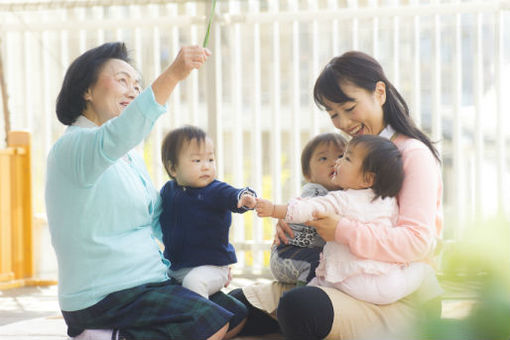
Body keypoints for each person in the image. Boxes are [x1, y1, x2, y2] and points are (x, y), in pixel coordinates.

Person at [230, 50, 444, 339]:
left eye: (349, 108)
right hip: (341, 278)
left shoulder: (412, 155)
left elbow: (418, 242)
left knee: (299, 308)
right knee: (229, 307)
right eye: (333, 114)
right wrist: (292, 218)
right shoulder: (354, 151)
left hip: (393, 294)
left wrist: (342, 230)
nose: (343, 122)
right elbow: (332, 204)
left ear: (379, 92)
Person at [46, 42, 247, 340]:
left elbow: (161, 219)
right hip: (104, 293)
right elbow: (121, 132)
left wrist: (205, 261)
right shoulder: (74, 146)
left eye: (137, 84)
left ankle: (114, 335)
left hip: (149, 283)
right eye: (122, 80)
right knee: (210, 322)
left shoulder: (128, 157)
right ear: (87, 91)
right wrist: (174, 74)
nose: (132, 90)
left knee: (235, 314)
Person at [257, 135, 432, 305]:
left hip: (345, 280)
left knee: (316, 284)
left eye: (345, 158)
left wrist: (273, 209)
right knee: (419, 272)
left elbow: (306, 208)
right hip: (379, 282)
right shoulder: (389, 201)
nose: (336, 162)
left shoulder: (342, 199)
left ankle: (299, 303)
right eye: (325, 158)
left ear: (367, 178)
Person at [159, 125, 257, 298]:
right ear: (173, 168)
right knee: (153, 281)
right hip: (176, 266)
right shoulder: (168, 191)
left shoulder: (215, 190)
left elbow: (233, 195)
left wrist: (244, 197)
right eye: (197, 161)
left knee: (194, 283)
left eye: (210, 160)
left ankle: (204, 322)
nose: (206, 167)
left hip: (212, 266)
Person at [269, 132, 346, 286]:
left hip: (306, 253)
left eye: (341, 157)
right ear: (308, 174)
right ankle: (299, 303)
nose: (334, 163)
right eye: (323, 158)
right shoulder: (316, 192)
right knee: (317, 263)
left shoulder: (344, 194)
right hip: (288, 254)